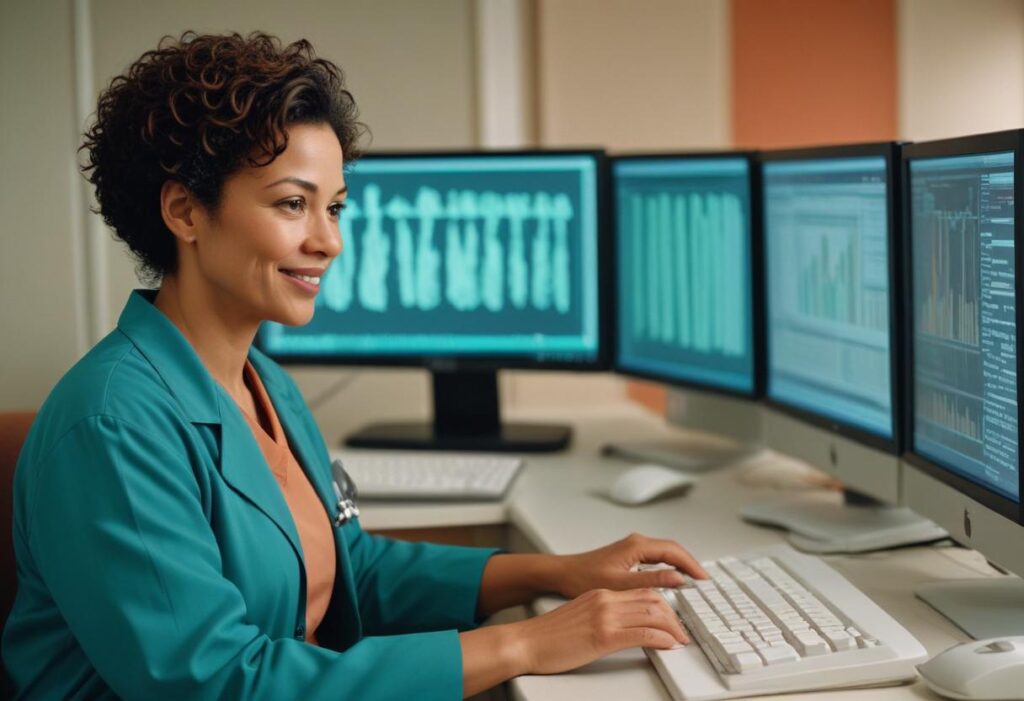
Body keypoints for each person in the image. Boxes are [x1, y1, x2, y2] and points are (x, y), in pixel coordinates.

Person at [1, 31, 707, 699]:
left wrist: (563, 571)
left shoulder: (263, 382)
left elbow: (352, 573)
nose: (328, 241)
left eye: (334, 208)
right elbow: (217, 682)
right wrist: (525, 643)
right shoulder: (111, 425)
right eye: (292, 205)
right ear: (185, 211)